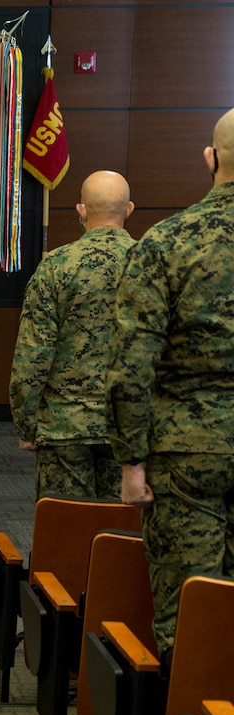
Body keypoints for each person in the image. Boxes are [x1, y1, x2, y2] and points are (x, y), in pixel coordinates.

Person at [106, 108, 234, 662]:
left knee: (190, 619)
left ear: (210, 159)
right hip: (189, 452)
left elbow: (132, 364)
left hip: (188, 455)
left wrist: (130, 463)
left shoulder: (167, 243)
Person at [9, 170, 136, 501]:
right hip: (130, 427)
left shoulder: (56, 266)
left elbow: (33, 355)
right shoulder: (154, 265)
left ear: (80, 210)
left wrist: (27, 424)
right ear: (129, 210)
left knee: (65, 535)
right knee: (120, 537)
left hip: (64, 428)